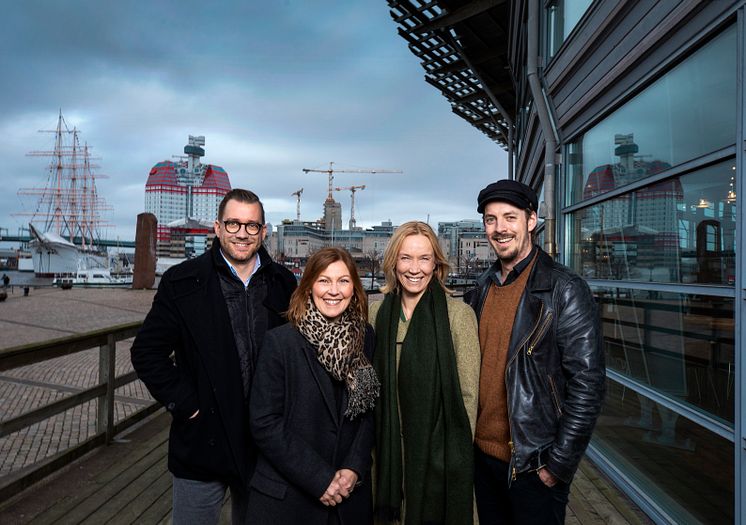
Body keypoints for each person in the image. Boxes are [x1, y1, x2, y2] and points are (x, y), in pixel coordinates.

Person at [130, 188, 297, 525]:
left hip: (263, 442)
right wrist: (187, 404)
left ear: (263, 232)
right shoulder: (183, 281)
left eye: (252, 226)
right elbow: (147, 352)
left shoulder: (283, 282)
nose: (242, 233)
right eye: (233, 223)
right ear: (217, 227)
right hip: (203, 438)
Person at [466, 180, 605, 525]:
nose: (500, 229)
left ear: (531, 221)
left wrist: (557, 464)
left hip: (534, 464)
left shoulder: (565, 289)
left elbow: (588, 384)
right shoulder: (482, 288)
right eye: (490, 219)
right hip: (483, 459)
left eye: (509, 218)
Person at [247, 247, 379, 525]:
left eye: (343, 281)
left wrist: (354, 466)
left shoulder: (365, 337)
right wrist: (319, 478)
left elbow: (369, 410)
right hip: (289, 500)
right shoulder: (280, 343)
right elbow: (264, 422)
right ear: (308, 288)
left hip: (348, 498)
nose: (334, 290)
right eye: (323, 280)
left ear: (354, 289)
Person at [370, 221, 480, 525]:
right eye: (406, 258)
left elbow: (468, 396)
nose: (414, 268)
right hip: (388, 454)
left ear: (437, 264)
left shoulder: (458, 316)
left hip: (438, 458)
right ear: (393, 262)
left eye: (424, 258)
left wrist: (451, 456)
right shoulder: (376, 313)